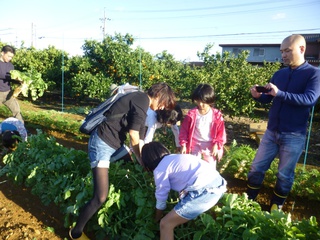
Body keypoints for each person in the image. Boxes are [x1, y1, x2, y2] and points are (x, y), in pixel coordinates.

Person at [69, 82, 176, 240]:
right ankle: (76, 233)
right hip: (102, 143)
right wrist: (143, 162)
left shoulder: (142, 105)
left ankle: (123, 213)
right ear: (159, 96)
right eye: (164, 103)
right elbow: (133, 136)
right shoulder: (141, 100)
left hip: (115, 144)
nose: (162, 108)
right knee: (100, 196)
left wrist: (142, 162)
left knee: (132, 171)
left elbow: (139, 139)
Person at [246, 34, 320, 212]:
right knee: (256, 168)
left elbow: (309, 99)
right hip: (271, 132)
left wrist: (279, 93)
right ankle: (247, 202)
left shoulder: (314, 74)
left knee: (284, 175)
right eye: (282, 51)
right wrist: (259, 97)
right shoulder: (279, 74)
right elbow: (271, 99)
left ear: (302, 49)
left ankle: (275, 208)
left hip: (294, 135)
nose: (283, 55)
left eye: (288, 50)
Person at [141, 142, 227, 240]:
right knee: (179, 215)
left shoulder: (160, 169)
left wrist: (157, 218)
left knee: (165, 224)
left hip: (205, 192)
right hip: (217, 183)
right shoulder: (173, 158)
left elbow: (161, 196)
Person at [179, 83, 226, 170]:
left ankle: (209, 182)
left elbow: (220, 132)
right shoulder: (192, 114)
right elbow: (184, 130)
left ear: (210, 101)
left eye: (203, 102)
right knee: (193, 165)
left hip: (209, 144)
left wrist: (216, 144)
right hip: (195, 143)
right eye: (197, 101)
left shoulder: (216, 115)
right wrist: (184, 145)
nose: (200, 104)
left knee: (210, 166)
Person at [0, 45, 24, 123]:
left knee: (17, 111)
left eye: (11, 57)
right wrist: (11, 77)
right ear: (2, 53)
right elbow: (3, 75)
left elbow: (11, 78)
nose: (10, 58)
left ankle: (22, 130)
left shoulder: (10, 65)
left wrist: (20, 80)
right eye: (8, 56)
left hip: (8, 92)